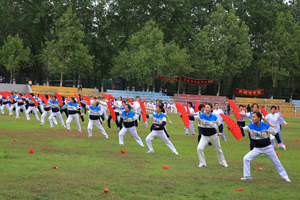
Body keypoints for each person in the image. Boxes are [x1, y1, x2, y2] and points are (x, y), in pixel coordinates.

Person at [239, 111, 291, 182]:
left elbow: (275, 133)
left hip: (268, 148)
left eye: (254, 117)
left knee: (276, 162)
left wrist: (279, 142)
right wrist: (232, 128)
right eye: (252, 117)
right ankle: (247, 176)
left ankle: (285, 177)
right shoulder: (250, 126)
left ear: (259, 118)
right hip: (257, 148)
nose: (252, 118)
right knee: (246, 158)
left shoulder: (265, 125)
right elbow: (241, 130)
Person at [189, 103, 228, 168]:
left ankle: (223, 163)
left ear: (211, 109)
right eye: (205, 107)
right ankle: (202, 163)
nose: (206, 109)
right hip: (204, 136)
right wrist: (184, 116)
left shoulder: (214, 117)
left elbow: (220, 125)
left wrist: (220, 132)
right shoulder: (201, 116)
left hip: (214, 136)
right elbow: (192, 117)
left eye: (208, 107)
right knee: (199, 148)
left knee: (219, 150)